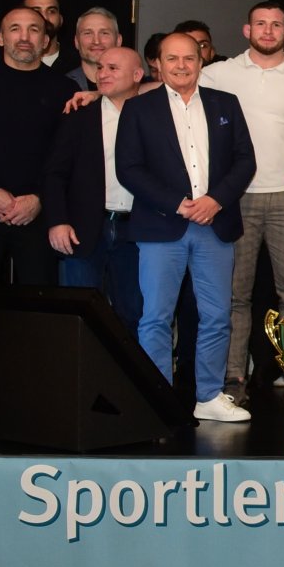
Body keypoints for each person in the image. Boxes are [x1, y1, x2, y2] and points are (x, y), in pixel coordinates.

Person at [114, 32, 257, 422]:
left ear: (201, 60)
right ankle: (157, 399)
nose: (181, 66)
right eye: (172, 59)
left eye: (189, 58)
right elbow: (128, 168)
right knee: (156, 317)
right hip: (162, 227)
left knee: (217, 315)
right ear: (158, 64)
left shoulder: (225, 104)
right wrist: (177, 204)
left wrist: (216, 200)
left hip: (215, 224)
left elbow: (245, 161)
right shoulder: (139, 109)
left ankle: (209, 396)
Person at [201, 1, 284, 408]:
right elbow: (174, 102)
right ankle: (233, 380)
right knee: (234, 295)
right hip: (232, 197)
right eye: (261, 24)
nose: (269, 31)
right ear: (247, 30)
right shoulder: (217, 74)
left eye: (277, 25)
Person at [0, 6, 80, 286]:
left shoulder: (64, 89)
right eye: (15, 29)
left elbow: (65, 154)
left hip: (37, 211)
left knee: (39, 305)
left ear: (45, 41)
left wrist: (38, 198)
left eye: (34, 30)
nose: (24, 37)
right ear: (0, 38)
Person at [46, 47, 146, 330]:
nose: (103, 74)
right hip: (83, 229)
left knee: (134, 314)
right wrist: (58, 221)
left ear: (137, 75)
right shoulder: (78, 114)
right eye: (101, 68)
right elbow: (55, 173)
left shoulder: (156, 115)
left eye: (113, 68)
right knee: (78, 314)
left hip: (137, 232)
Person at [66, 7, 121, 90]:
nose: (96, 41)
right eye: (88, 33)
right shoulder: (61, 85)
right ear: (76, 41)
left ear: (118, 41)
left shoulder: (133, 85)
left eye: (104, 33)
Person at [22, 0, 71, 72]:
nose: (45, 17)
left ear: (61, 20)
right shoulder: (4, 63)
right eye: (36, 11)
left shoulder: (79, 63)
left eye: (51, 11)